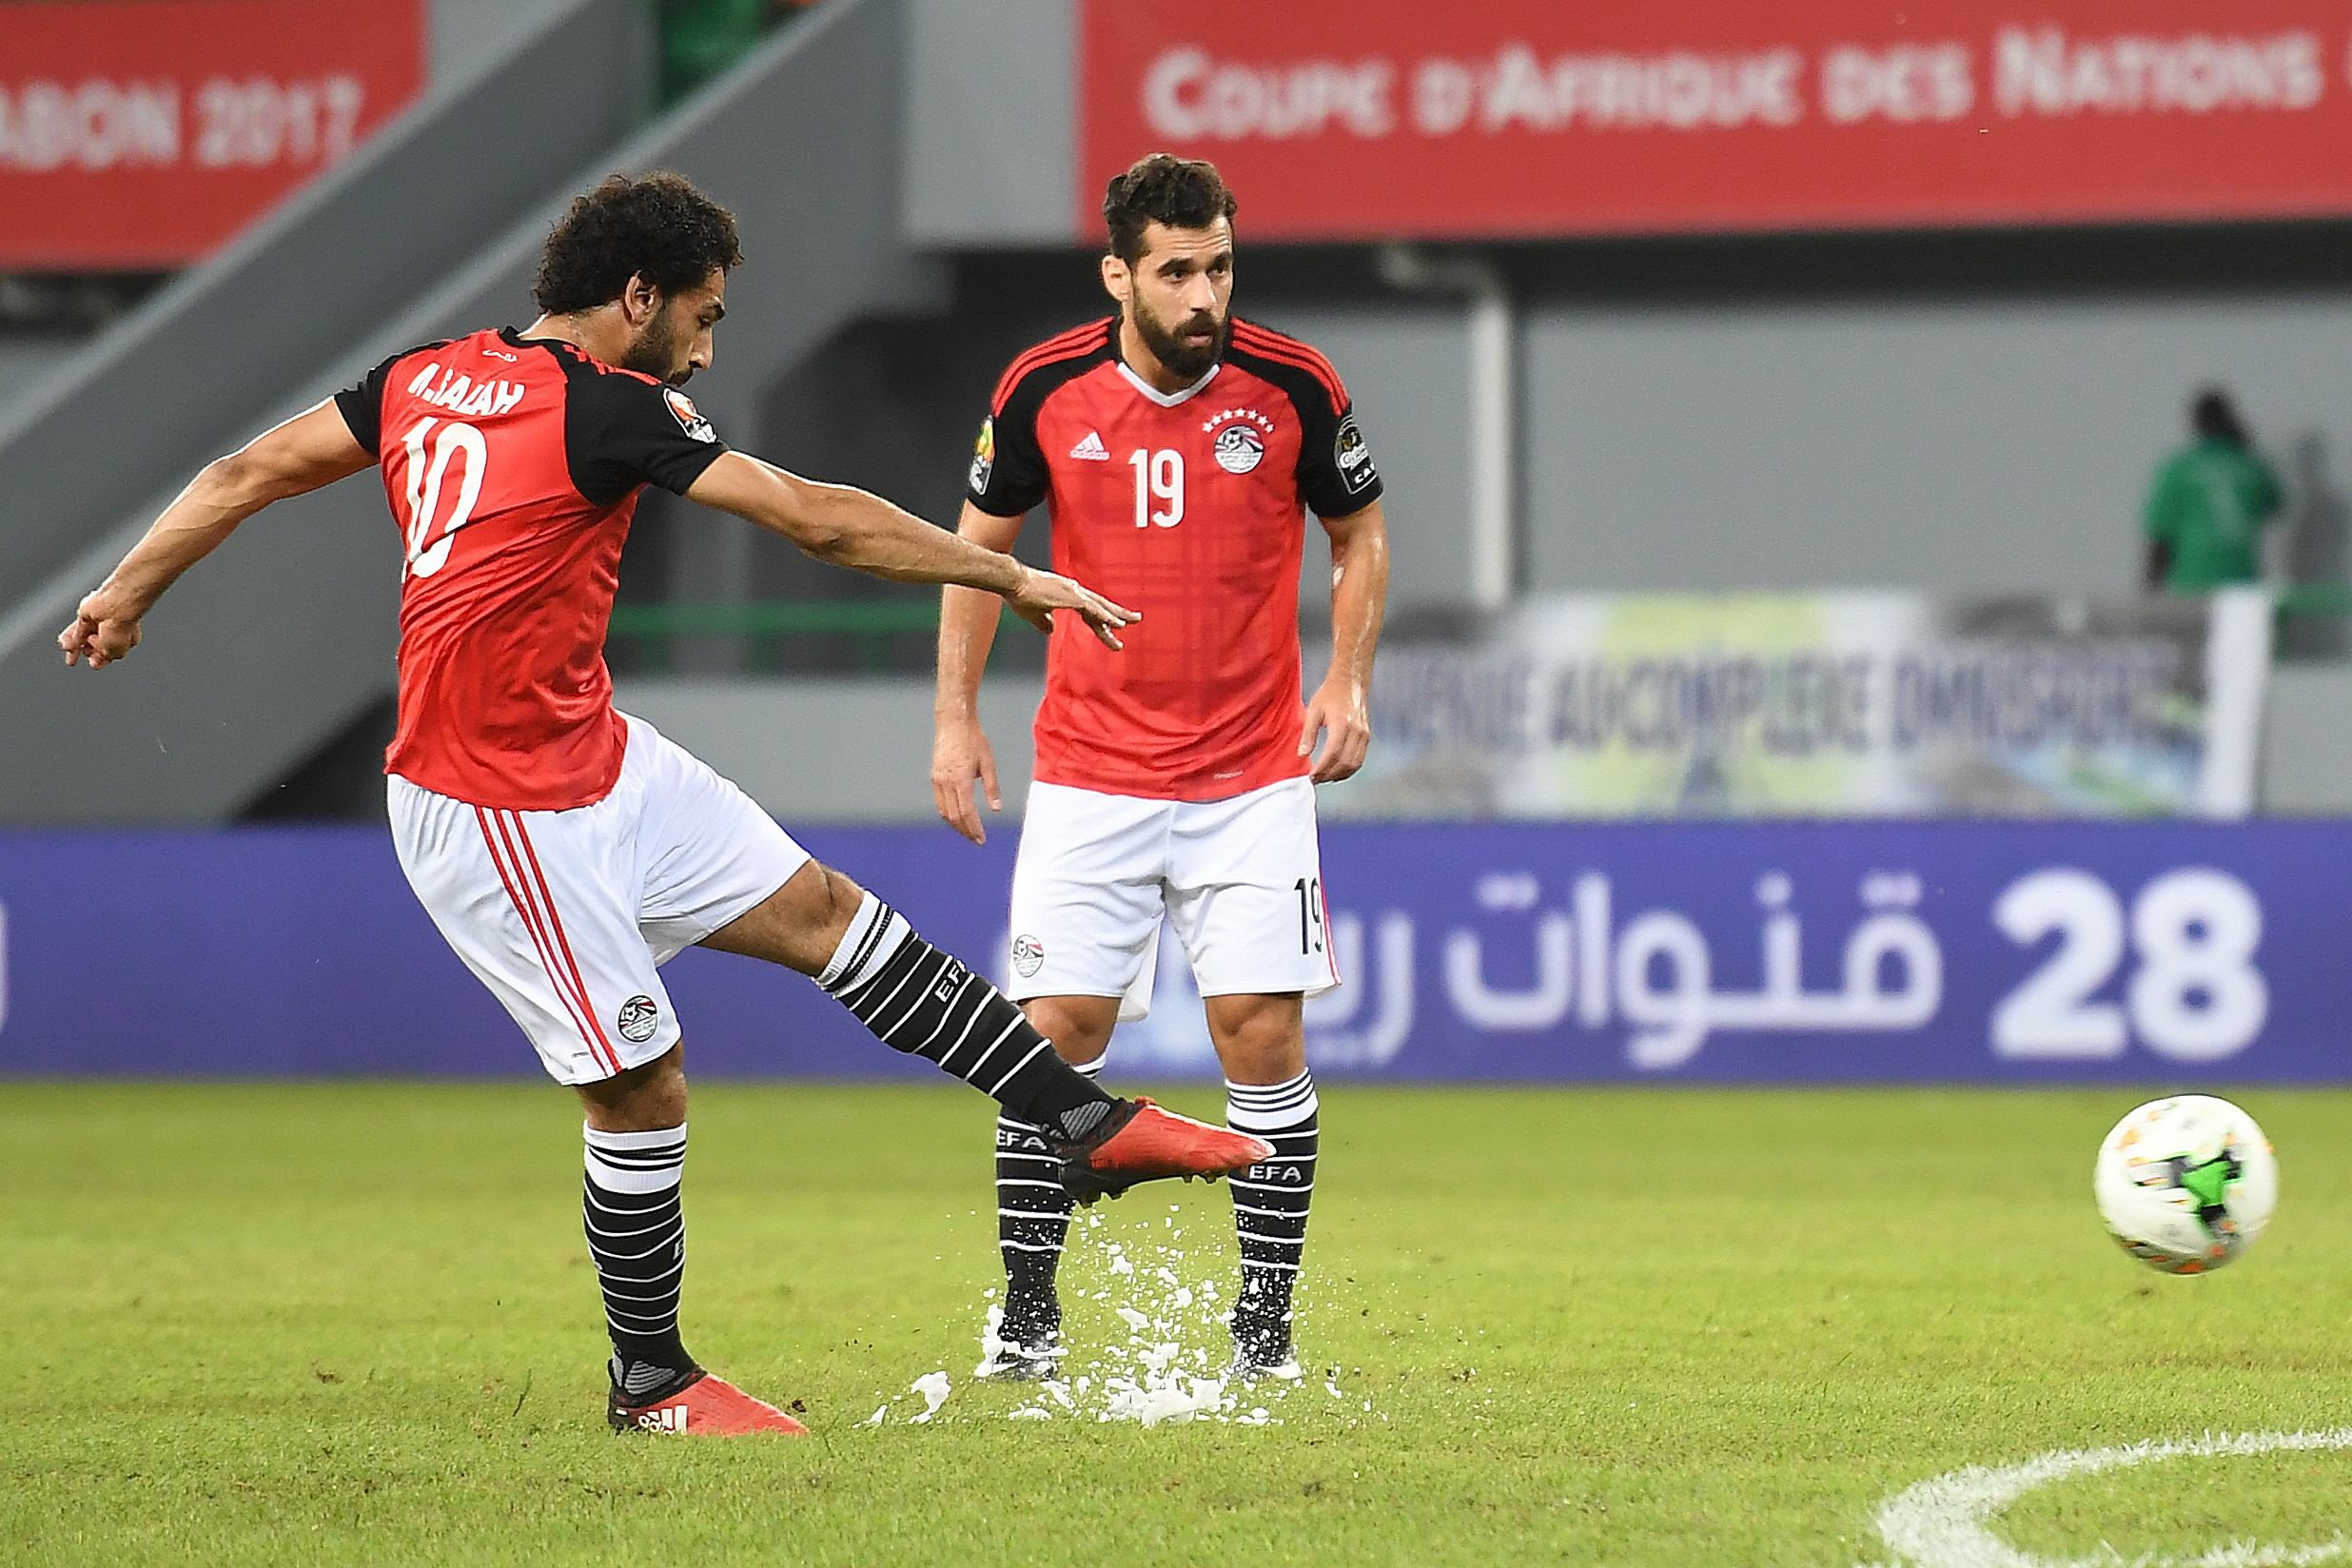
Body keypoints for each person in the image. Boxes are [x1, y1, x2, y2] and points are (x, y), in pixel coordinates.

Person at [58, 171, 1273, 1437]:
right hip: (496, 806)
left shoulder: (426, 375)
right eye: (702, 313)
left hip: (595, 754)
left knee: (827, 915)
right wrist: (1008, 573)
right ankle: (652, 1382)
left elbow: (249, 467)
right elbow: (819, 521)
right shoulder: (612, 410)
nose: (706, 341)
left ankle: (1076, 1119)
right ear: (636, 296)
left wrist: (125, 593)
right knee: (642, 1087)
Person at [931, 154, 1390, 1382]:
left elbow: (1359, 532)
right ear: (1119, 275)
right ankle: (1025, 1318)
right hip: (1090, 775)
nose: (1204, 295)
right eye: (1177, 271)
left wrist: (1344, 680)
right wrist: (955, 718)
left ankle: (1264, 1334)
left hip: (1249, 780)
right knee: (1054, 1032)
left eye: (1220, 266)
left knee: (1258, 1034)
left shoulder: (1293, 384)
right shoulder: (1043, 388)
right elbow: (981, 551)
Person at [2143, 387, 2283, 594]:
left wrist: (2150, 587)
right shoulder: (2251, 466)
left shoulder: (2180, 469)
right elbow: (2274, 505)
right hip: (2241, 580)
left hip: (2191, 581)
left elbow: (2161, 533)